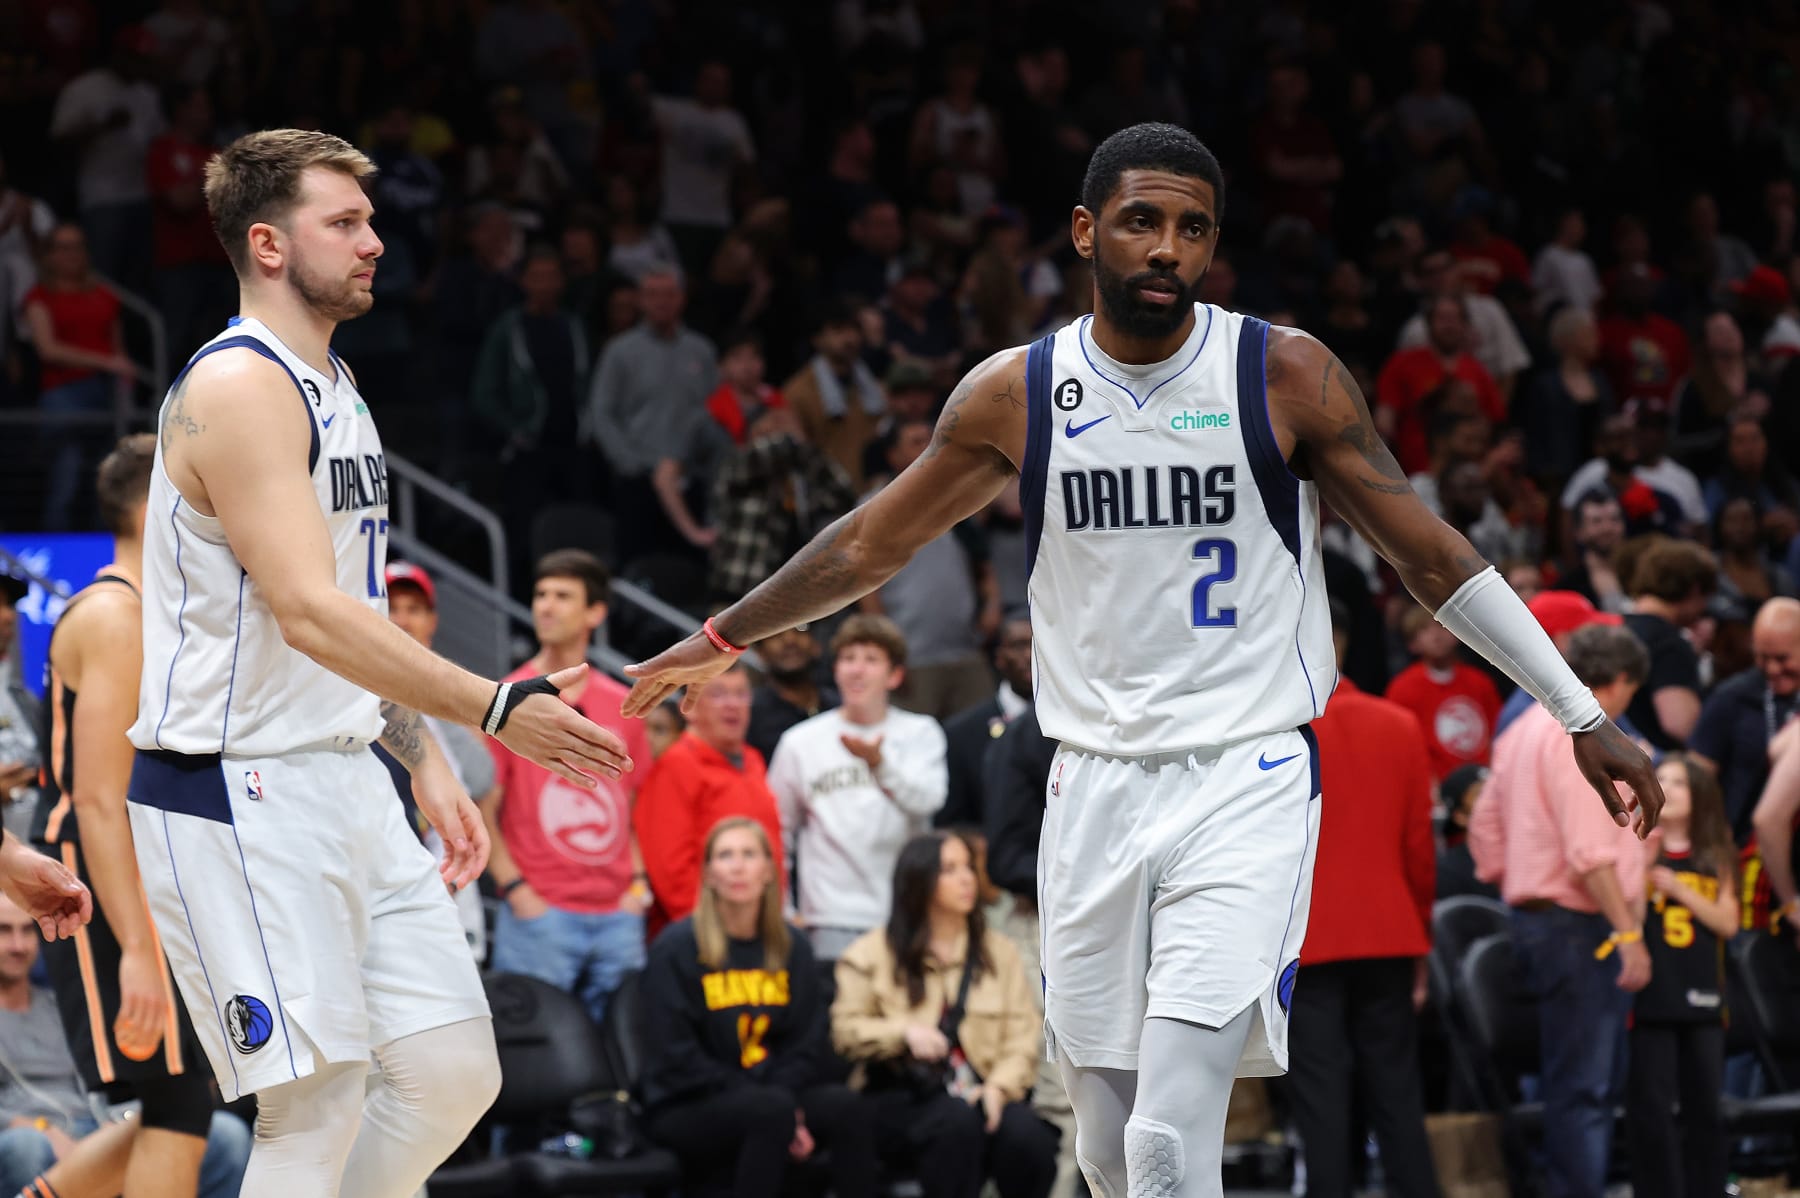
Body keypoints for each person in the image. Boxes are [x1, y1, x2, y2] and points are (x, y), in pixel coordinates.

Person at [623, 123, 1661, 1198]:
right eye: (1141, 221)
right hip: (1092, 783)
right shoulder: (1016, 392)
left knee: (1169, 1142)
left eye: (1193, 228)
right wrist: (716, 641)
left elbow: (1434, 556)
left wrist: (1580, 713)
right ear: (1085, 232)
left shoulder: (1285, 373)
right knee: (1110, 1152)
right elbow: (866, 543)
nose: (1168, 247)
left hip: (1243, 774)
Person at [125, 129, 630, 1197]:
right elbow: (308, 613)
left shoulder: (335, 382)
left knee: (452, 1071)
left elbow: (355, 609)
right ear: (267, 243)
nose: (374, 243)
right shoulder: (239, 388)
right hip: (237, 785)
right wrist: (496, 706)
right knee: (313, 1106)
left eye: (370, 220)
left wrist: (425, 754)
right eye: (344, 222)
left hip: (345, 767)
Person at [27, 436, 221, 1198]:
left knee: (186, 1097)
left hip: (132, 868)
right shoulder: (116, 615)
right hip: (97, 870)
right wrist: (138, 945)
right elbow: (100, 800)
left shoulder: (148, 611)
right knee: (176, 1097)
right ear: (154, 507)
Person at [1468, 624, 1653, 1198]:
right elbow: (1589, 852)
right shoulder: (1579, 736)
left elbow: (1484, 833)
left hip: (1536, 921)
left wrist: (1525, 883)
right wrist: (1629, 935)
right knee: (1585, 1090)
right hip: (1581, 927)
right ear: (1621, 683)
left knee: (1567, 1083)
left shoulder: (1519, 729)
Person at [1287, 601, 1440, 1198]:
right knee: (1397, 1090)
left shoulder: (1274, 736)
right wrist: (1421, 934)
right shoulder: (1398, 723)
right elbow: (1418, 851)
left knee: (1320, 1097)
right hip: (1389, 932)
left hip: (1305, 940)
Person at [641, 817, 875, 1197]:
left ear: (768, 871)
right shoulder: (676, 948)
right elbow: (676, 1055)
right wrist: (777, 1103)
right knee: (768, 1113)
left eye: (749, 855)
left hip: (772, 1095)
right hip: (687, 1102)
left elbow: (805, 1043)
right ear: (709, 874)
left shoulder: (792, 947)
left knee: (846, 1107)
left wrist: (784, 1099)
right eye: (725, 856)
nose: (737, 866)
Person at [832, 831, 1058, 1198]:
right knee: (955, 1125)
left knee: (1029, 1140)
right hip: (903, 1096)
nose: (968, 878)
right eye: (950, 869)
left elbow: (1022, 1033)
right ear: (918, 881)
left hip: (981, 1088)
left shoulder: (999, 952)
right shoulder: (871, 953)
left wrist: (999, 1088)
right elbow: (845, 1030)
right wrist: (902, 1032)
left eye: (968, 866)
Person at [484, 550, 652, 1027]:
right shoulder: (505, 701)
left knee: (622, 1050)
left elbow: (633, 807)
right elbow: (484, 810)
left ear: (595, 613)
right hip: (541, 914)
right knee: (534, 1052)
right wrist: (517, 891)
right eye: (540, 595)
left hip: (618, 912)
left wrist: (637, 886)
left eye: (562, 596)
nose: (546, 606)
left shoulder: (624, 705)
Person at [0, 891, 248, 1198]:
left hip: (93, 1123)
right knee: (26, 1147)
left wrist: (114, 1123)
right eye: (4, 931)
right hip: (30, 1131)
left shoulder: (60, 1005)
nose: (18, 946)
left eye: (26, 931)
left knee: (225, 1133)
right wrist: (39, 1127)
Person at [767, 615, 948, 962]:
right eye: (848, 659)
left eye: (870, 660)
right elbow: (778, 831)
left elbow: (929, 801)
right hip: (827, 919)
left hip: (905, 914)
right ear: (835, 670)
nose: (856, 670)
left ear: (894, 675)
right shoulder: (799, 742)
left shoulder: (921, 733)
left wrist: (879, 766)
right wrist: (784, 911)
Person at [1627, 753, 1736, 1198]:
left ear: (1700, 795)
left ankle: (1709, 1188)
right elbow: (1630, 918)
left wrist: (1679, 889)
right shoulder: (1638, 846)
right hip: (1653, 997)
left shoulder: (1715, 852)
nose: (1669, 787)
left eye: (1680, 781)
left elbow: (1729, 922)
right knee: (1652, 1108)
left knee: (1705, 1107)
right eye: (1661, 779)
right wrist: (1643, 867)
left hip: (1706, 996)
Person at [381, 561, 495, 958]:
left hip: (448, 887)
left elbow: (481, 777)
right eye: (392, 608)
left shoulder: (446, 694)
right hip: (387, 896)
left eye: (413, 609)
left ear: (432, 621)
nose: (402, 619)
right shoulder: (348, 694)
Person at [635, 663, 785, 933]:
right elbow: (670, 870)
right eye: (718, 695)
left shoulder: (753, 760)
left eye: (741, 694)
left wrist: (773, 919)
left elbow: (772, 851)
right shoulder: (677, 765)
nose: (733, 704)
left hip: (758, 930)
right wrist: (714, 932)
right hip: (705, 935)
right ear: (688, 707)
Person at [1384, 602, 1501, 781]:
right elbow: (1400, 745)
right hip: (1435, 786)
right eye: (1424, 629)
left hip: (1483, 780)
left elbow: (1497, 734)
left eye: (1441, 626)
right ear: (1412, 644)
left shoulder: (1479, 682)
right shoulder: (1403, 689)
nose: (1436, 635)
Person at [939, 616, 1034, 830]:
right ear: (999, 657)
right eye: (1018, 646)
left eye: (1037, 644)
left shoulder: (1074, 725)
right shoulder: (961, 733)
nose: (1029, 655)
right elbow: (953, 822)